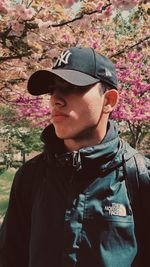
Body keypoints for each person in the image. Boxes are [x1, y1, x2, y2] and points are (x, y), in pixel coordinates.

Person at [0, 47, 149, 267]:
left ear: (109, 100)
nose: (55, 100)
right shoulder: (30, 176)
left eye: (72, 87)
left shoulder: (140, 177)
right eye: (52, 90)